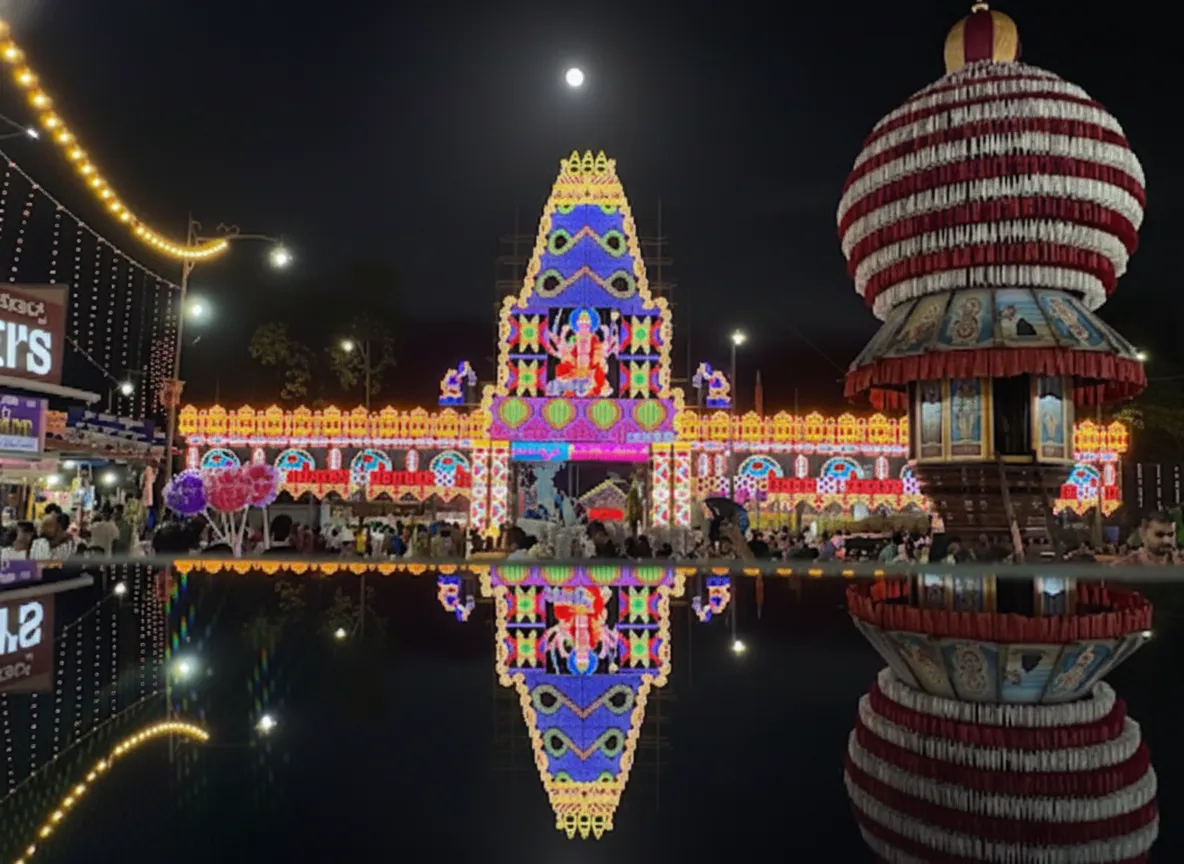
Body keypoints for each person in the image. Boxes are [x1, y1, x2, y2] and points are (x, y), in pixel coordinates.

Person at [1113, 511, 1179, 566]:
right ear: (1143, 533)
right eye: (1159, 535)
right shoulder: (1124, 567)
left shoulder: (1179, 564)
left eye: (1170, 535)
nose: (1167, 540)